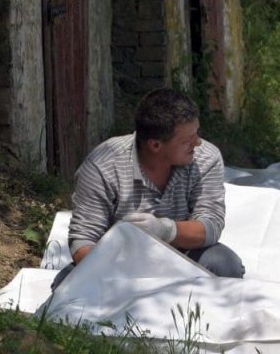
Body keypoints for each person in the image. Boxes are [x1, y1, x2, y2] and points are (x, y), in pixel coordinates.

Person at [54, 88, 245, 288]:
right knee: (65, 286)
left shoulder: (206, 158)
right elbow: (83, 240)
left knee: (224, 264)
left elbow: (211, 226)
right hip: (117, 262)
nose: (197, 143)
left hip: (183, 257)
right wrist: (118, 274)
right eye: (187, 140)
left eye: (197, 133)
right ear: (155, 145)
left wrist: (166, 230)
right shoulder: (104, 164)